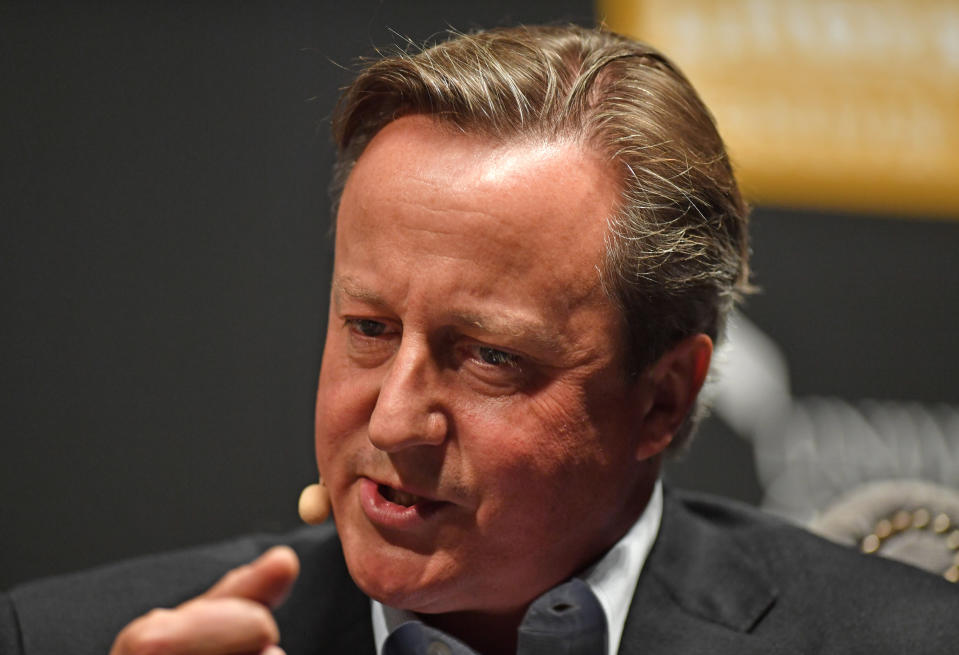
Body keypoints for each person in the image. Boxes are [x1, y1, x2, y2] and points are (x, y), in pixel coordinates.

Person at [2, 24, 957, 655]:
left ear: (660, 398)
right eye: (368, 329)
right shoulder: (61, 637)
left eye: (487, 356)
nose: (392, 415)